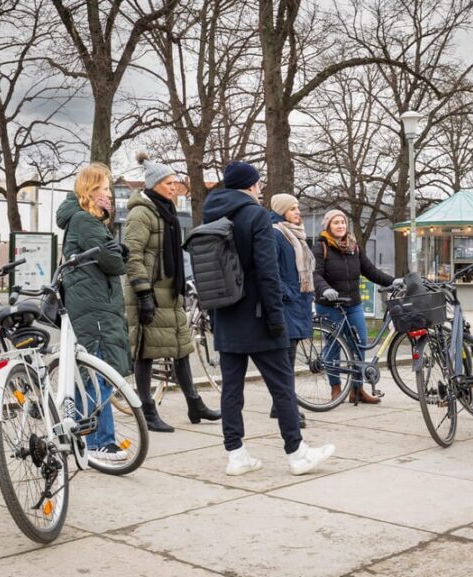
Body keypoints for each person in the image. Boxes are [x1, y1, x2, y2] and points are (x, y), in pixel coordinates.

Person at [203, 160, 334, 476]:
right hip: (260, 317)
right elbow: (267, 272)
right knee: (282, 386)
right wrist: (277, 317)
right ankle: (296, 452)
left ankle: (236, 454)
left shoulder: (212, 214)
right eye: (258, 184)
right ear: (250, 186)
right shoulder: (256, 216)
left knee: (231, 389)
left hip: (226, 315)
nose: (261, 189)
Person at [124, 152, 220, 433]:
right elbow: (133, 255)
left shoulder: (167, 212)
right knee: (145, 352)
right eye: (168, 183)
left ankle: (194, 403)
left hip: (170, 292)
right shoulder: (142, 213)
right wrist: (142, 293)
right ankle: (146, 410)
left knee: (181, 348)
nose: (173, 187)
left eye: (175, 182)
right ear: (154, 184)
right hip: (150, 292)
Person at [56, 162, 132, 460]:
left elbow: (109, 254)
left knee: (87, 373)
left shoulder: (83, 220)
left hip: (88, 304)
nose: (110, 196)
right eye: (104, 189)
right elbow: (114, 261)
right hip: (94, 308)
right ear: (89, 191)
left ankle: (79, 432)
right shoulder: (86, 222)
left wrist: (115, 250)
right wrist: (120, 251)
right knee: (97, 373)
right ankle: (100, 441)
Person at [313, 209, 394, 404]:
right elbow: (315, 274)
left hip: (353, 304)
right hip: (329, 304)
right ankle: (336, 388)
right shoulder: (321, 246)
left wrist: (393, 281)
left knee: (360, 344)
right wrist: (324, 289)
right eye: (336, 223)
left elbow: (370, 271)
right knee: (333, 346)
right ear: (328, 226)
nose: (340, 225)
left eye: (342, 222)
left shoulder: (354, 246)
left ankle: (357, 390)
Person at [268, 193, 311, 429]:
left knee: (289, 359)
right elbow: (271, 269)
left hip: (298, 304)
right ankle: (287, 408)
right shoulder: (276, 234)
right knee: (285, 360)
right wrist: (288, 293)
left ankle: (280, 405)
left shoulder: (297, 235)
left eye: (298, 208)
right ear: (281, 210)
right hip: (287, 304)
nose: (297, 212)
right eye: (292, 208)